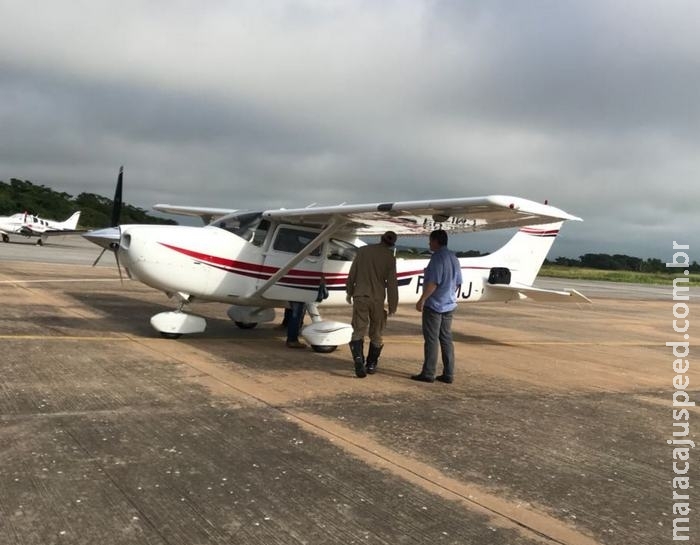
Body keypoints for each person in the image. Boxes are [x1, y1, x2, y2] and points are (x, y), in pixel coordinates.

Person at [346, 231, 399, 377]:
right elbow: (392, 284)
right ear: (392, 243)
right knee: (376, 333)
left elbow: (352, 273)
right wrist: (393, 304)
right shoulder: (390, 258)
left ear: (380, 238)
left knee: (358, 330)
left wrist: (349, 291)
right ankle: (371, 364)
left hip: (360, 296)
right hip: (377, 299)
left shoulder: (363, 251)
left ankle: (358, 360)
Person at [412, 229, 462, 384]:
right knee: (446, 338)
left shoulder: (437, 258)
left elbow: (433, 282)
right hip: (449, 304)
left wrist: (422, 299)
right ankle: (448, 373)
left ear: (435, 241)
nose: (429, 243)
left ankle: (428, 373)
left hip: (435, 305)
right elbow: (458, 282)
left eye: (430, 240)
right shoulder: (453, 257)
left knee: (431, 339)